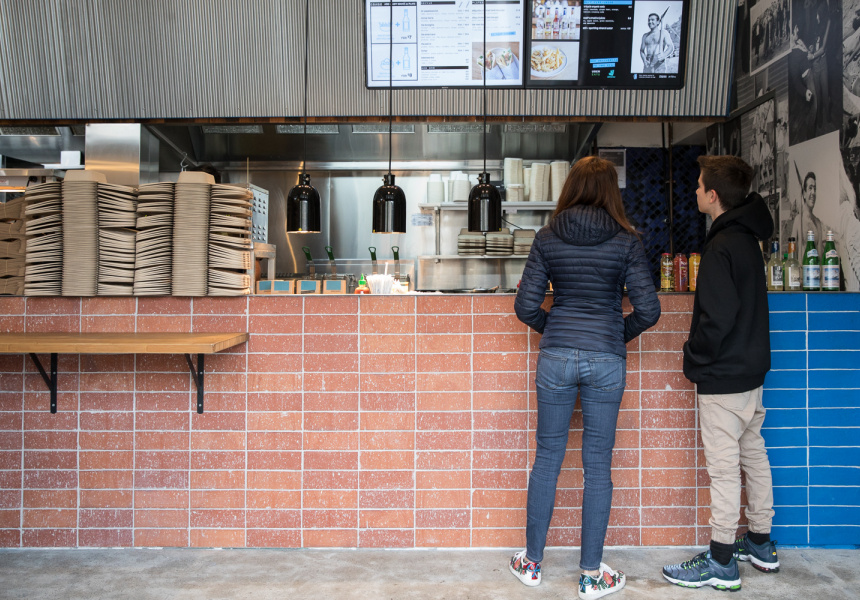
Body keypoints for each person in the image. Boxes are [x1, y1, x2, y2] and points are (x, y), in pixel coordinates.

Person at [510, 157, 660, 598]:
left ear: (571, 187)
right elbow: (649, 311)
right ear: (611, 191)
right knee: (598, 466)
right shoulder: (627, 240)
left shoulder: (547, 237)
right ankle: (591, 575)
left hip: (555, 357)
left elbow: (524, 307)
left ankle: (532, 564)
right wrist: (615, 332)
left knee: (547, 459)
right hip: (606, 359)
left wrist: (554, 329)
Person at [662, 156, 778, 592]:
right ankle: (761, 543)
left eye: (697, 186)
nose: (693, 191)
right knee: (755, 457)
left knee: (726, 472)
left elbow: (717, 317)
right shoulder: (747, 239)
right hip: (751, 377)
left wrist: (694, 355)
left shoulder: (720, 245)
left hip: (723, 378)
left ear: (713, 196)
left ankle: (722, 560)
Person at [790, 171, 825, 248]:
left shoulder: (818, 224)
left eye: (815, 189)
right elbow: (791, 254)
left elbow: (820, 255)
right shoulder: (798, 220)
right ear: (804, 194)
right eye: (810, 188)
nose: (813, 192)